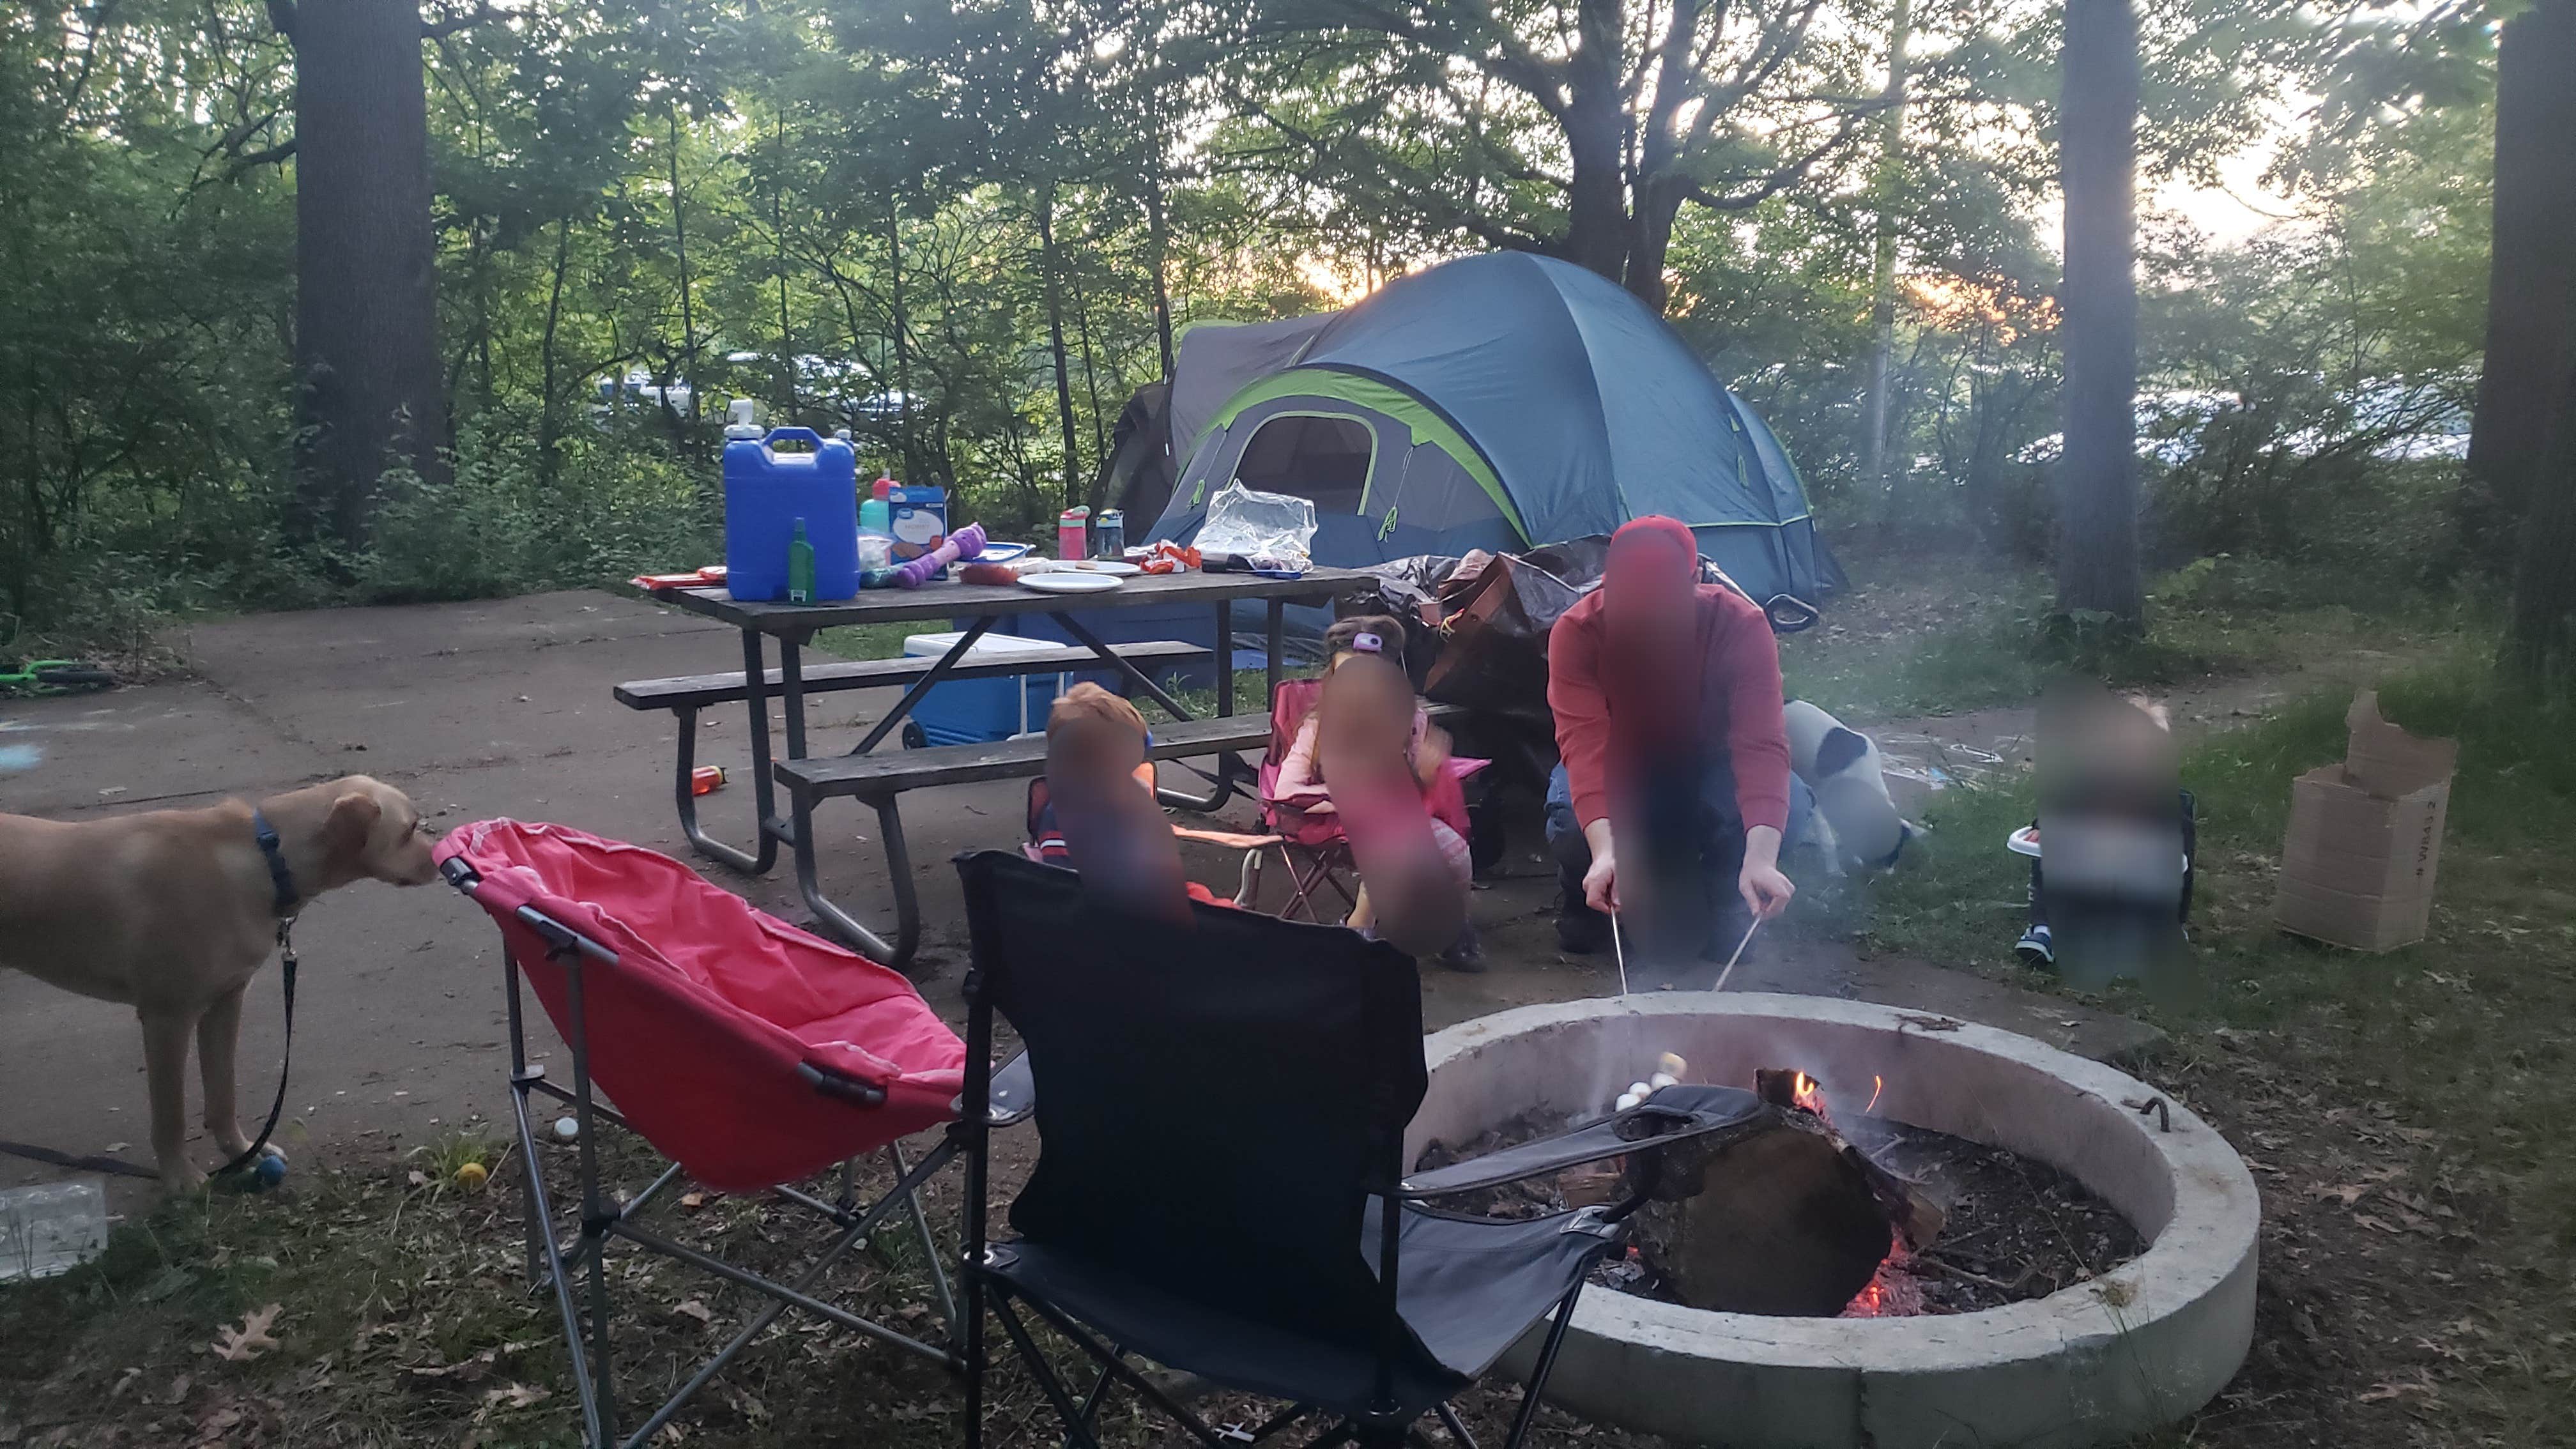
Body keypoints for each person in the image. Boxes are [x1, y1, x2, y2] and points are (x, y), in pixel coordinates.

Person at [1544, 516, 1814, 969]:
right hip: (1618, 764)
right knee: (1571, 823)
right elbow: (1584, 746)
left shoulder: (1740, 625)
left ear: (1696, 580)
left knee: (1796, 809)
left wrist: (1761, 858)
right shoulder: (1577, 631)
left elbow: (1761, 744)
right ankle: (1584, 888)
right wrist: (1605, 853)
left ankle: (1724, 893)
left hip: (1707, 764)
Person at [1274, 617, 1479, 966]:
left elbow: (1420, 786)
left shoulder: (1410, 724)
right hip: (1332, 816)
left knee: (1454, 850)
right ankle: (1358, 928)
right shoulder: (1318, 729)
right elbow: (1287, 788)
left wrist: (1429, 772)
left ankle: (1453, 923)